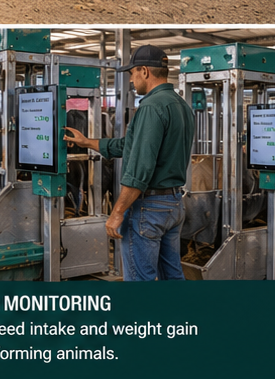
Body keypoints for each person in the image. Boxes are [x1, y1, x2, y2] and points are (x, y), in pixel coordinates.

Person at [63, 45, 194, 281]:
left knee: (139, 279)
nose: (132, 80)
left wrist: (117, 211)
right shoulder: (181, 105)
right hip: (174, 204)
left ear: (144, 71)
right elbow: (131, 145)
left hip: (149, 207)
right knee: (172, 275)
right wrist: (88, 142)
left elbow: (140, 169)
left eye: (132, 73)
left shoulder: (151, 106)